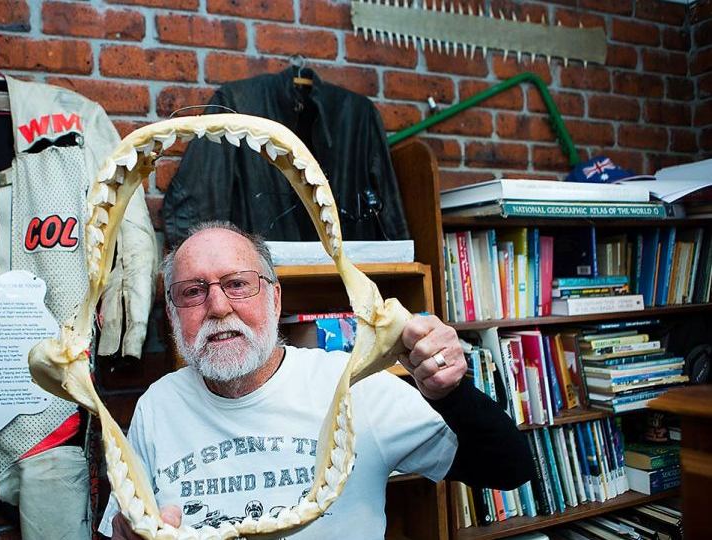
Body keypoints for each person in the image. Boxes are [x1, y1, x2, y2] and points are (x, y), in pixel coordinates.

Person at [100, 221, 532, 538]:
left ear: (275, 296)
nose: (217, 306)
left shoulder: (350, 386)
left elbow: (509, 468)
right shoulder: (157, 406)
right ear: (173, 315)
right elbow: (122, 530)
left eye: (237, 284)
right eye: (192, 292)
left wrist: (451, 393)